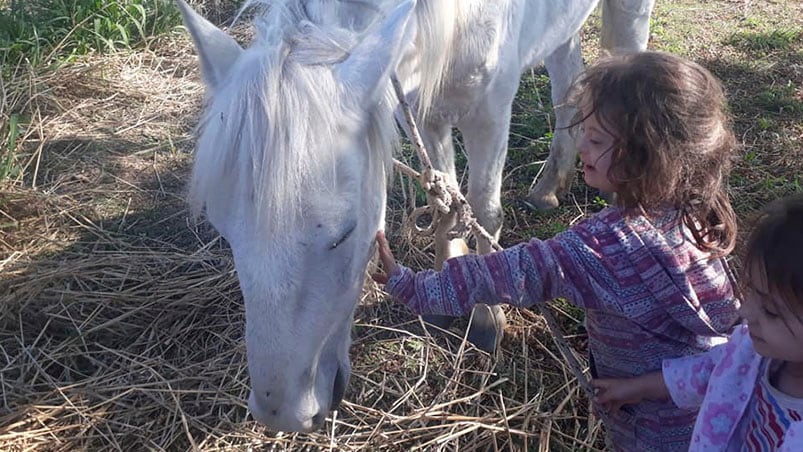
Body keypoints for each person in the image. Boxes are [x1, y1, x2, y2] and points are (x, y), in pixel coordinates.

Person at [372, 51, 742, 451]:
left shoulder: (598, 249)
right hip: (717, 411)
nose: (580, 144)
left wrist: (406, 284)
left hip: (647, 431)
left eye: (596, 138)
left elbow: (501, 275)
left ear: (646, 154)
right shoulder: (700, 213)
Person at [592, 194, 803, 451]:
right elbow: (708, 370)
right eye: (751, 293)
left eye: (770, 311)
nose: (745, 311)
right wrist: (637, 388)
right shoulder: (752, 353)